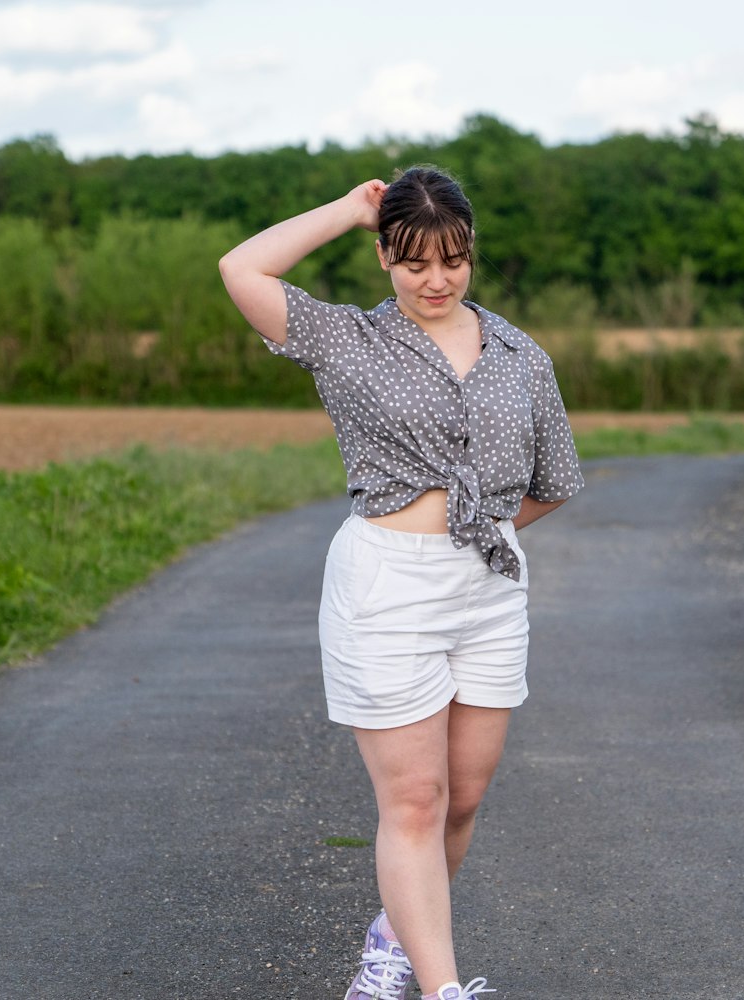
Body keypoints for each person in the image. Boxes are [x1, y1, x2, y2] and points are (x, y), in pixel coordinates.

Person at [219, 166, 583, 1000]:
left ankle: (393, 939)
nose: (436, 280)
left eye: (452, 260)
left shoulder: (523, 356)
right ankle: (443, 989)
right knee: (415, 802)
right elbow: (242, 269)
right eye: (415, 261)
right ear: (385, 256)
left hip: (489, 588)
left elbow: (554, 479)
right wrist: (348, 209)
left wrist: (476, 528)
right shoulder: (347, 339)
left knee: (461, 800)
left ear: (471, 255)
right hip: (386, 587)